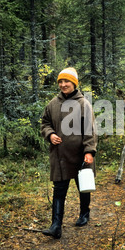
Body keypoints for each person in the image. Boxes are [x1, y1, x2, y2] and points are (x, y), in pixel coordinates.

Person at [40, 67, 97, 239]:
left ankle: (84, 214)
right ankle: (56, 225)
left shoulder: (83, 104)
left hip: (80, 154)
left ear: (74, 83)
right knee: (59, 189)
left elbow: (90, 129)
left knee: (83, 187)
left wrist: (89, 151)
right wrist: (50, 134)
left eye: (67, 82)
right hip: (60, 156)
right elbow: (45, 123)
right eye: (61, 82)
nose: (63, 85)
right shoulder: (52, 104)